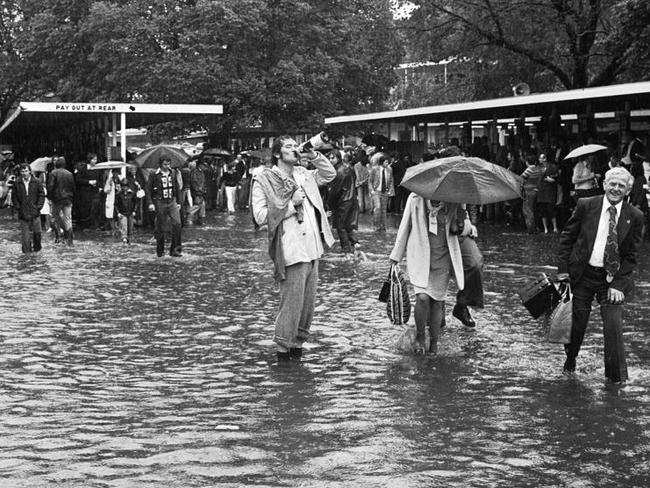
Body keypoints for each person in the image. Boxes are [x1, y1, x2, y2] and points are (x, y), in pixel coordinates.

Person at [251, 135, 336, 362]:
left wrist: (314, 155)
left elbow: (330, 175)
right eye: (288, 147)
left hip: (313, 249)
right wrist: (291, 204)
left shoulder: (303, 174)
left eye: (294, 145)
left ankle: (297, 350)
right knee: (291, 305)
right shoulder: (264, 179)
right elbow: (260, 217)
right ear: (277, 154)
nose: (293, 149)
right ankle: (282, 353)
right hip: (291, 249)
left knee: (307, 307)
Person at [557, 167, 644, 383]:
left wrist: (619, 285)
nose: (616, 189)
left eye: (621, 186)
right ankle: (570, 361)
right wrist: (563, 271)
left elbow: (631, 256)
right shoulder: (586, 205)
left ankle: (616, 379)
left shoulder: (635, 216)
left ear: (628, 190)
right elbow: (567, 237)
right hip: (583, 274)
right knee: (577, 324)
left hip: (612, 280)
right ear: (604, 184)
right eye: (612, 184)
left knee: (613, 325)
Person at [390, 194, 474, 354]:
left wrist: (462, 223)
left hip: (443, 257)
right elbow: (405, 226)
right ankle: (421, 335)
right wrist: (396, 256)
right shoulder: (415, 198)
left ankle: (434, 343)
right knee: (422, 298)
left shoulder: (456, 199)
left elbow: (467, 228)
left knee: (437, 301)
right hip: (420, 256)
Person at [146, 156, 182, 257]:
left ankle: (175, 250)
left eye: (169, 164)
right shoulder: (154, 174)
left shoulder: (173, 173)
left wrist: (178, 202)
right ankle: (160, 251)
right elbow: (148, 189)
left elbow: (177, 188)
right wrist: (150, 203)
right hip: (159, 201)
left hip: (172, 201)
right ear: (161, 164)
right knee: (160, 226)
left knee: (177, 224)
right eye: (165, 164)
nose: (167, 166)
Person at [327, 149, 359, 255]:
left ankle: (346, 249)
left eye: (333, 158)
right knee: (349, 224)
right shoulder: (348, 168)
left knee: (341, 226)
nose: (330, 160)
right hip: (352, 199)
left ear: (338, 158)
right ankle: (354, 243)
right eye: (329, 158)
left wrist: (329, 204)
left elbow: (335, 190)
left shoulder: (338, 172)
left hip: (343, 201)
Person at [12, 163, 45, 253]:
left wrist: (38, 207)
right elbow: (14, 196)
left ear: (30, 171)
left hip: (35, 211)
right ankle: (27, 255)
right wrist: (18, 207)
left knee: (37, 234)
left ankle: (37, 252)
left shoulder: (37, 181)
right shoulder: (17, 183)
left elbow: (41, 195)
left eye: (26, 171)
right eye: (22, 171)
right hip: (23, 212)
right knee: (25, 237)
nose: (24, 173)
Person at [47, 156, 75, 245]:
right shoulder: (69, 174)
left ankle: (59, 236)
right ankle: (69, 238)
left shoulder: (53, 173)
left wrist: (50, 197)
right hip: (68, 199)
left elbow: (50, 187)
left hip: (57, 200)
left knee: (55, 217)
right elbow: (73, 187)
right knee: (67, 219)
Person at [369, 154, 394, 231]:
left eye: (388, 162)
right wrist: (372, 190)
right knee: (378, 208)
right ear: (382, 162)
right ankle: (376, 225)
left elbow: (391, 180)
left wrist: (390, 190)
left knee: (383, 209)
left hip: (385, 192)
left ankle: (383, 226)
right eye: (386, 162)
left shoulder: (389, 169)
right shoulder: (374, 169)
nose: (387, 164)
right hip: (376, 191)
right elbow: (370, 180)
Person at [537, 152, 560, 233]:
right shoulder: (538, 168)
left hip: (550, 191)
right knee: (543, 210)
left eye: (541, 158)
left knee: (551, 209)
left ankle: (554, 227)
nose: (540, 159)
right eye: (540, 158)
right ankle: (545, 228)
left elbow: (557, 178)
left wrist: (552, 180)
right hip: (541, 192)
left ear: (545, 158)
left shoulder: (553, 167)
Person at [521, 151, 543, 234]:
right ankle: (535, 228)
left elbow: (521, 178)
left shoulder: (530, 169)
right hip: (536, 191)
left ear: (527, 162)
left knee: (528, 210)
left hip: (528, 192)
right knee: (534, 210)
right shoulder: (538, 169)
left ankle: (531, 229)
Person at [115, 178, 137, 244]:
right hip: (122, 213)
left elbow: (136, 203)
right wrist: (118, 212)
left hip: (130, 212)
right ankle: (124, 239)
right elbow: (116, 204)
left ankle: (129, 239)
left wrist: (134, 211)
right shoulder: (118, 194)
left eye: (126, 186)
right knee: (124, 226)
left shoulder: (132, 193)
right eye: (123, 186)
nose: (125, 188)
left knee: (130, 227)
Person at [188, 159, 207, 225]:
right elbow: (194, 182)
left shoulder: (201, 172)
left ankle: (198, 219)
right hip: (197, 192)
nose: (204, 167)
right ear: (200, 165)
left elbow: (203, 182)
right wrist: (198, 189)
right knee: (199, 205)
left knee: (201, 205)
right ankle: (190, 213)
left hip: (200, 191)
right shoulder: (195, 172)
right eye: (203, 165)